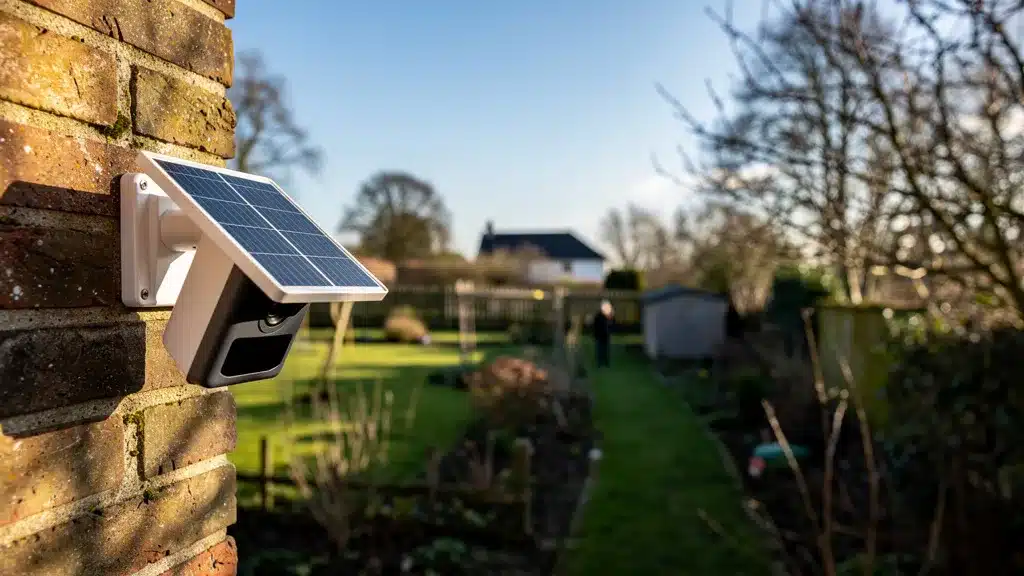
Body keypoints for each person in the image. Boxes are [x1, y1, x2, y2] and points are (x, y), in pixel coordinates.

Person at [592, 300, 613, 368]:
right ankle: (600, 363)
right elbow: (596, 326)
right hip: (600, 336)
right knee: (600, 350)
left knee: (605, 350)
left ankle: (605, 362)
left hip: (605, 336)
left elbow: (610, 325)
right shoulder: (598, 316)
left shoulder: (607, 316)